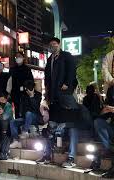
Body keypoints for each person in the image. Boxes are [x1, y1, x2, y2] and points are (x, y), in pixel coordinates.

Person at [38, 37, 79, 168]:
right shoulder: (49, 60)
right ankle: (47, 154)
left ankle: (71, 158)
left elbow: (72, 70)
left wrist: (67, 83)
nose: (53, 46)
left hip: (65, 96)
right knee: (50, 126)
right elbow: (47, 78)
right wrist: (47, 93)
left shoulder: (67, 56)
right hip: (54, 98)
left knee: (72, 126)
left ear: (59, 44)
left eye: (55, 44)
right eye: (50, 45)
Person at [9, 80, 42, 148]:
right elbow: (22, 108)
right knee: (13, 122)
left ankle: (25, 131)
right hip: (26, 118)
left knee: (28, 113)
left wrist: (31, 96)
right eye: (26, 89)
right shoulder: (23, 95)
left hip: (35, 117)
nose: (27, 90)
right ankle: (16, 141)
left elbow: (36, 107)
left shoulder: (38, 95)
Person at [90, 86, 114, 178]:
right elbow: (101, 117)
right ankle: (107, 148)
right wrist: (103, 112)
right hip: (111, 128)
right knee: (98, 122)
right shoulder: (111, 90)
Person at [7, 52, 34, 118]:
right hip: (15, 93)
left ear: (23, 58)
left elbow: (31, 81)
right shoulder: (12, 69)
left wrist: (26, 88)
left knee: (24, 110)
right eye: (16, 57)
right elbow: (9, 81)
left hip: (25, 93)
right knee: (17, 110)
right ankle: (17, 125)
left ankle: (24, 126)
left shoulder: (27, 69)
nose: (18, 58)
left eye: (19, 56)